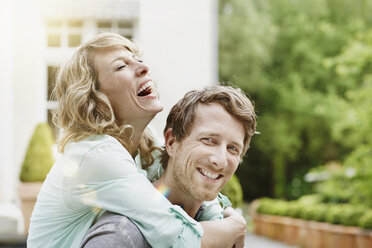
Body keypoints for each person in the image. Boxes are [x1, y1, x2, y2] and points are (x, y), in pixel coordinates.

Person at [27, 33, 248, 248]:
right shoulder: (96, 155)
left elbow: (184, 173)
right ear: (94, 97)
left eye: (138, 60)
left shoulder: (143, 140)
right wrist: (235, 226)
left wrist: (217, 212)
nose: (144, 68)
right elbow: (183, 237)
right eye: (121, 66)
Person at [80, 85, 257, 248]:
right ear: (172, 142)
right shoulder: (120, 235)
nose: (220, 160)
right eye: (208, 140)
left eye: (233, 148)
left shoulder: (220, 227)